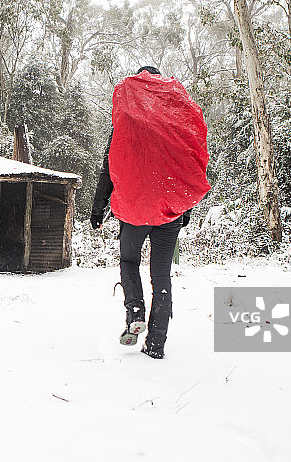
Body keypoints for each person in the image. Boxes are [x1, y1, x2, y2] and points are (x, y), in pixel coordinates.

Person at [90, 66, 210, 359]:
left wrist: (98, 206)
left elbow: (110, 166)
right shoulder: (175, 123)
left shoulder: (128, 120)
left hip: (134, 208)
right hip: (169, 211)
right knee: (162, 275)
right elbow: (190, 163)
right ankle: (156, 343)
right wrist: (185, 206)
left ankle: (135, 313)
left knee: (129, 261)